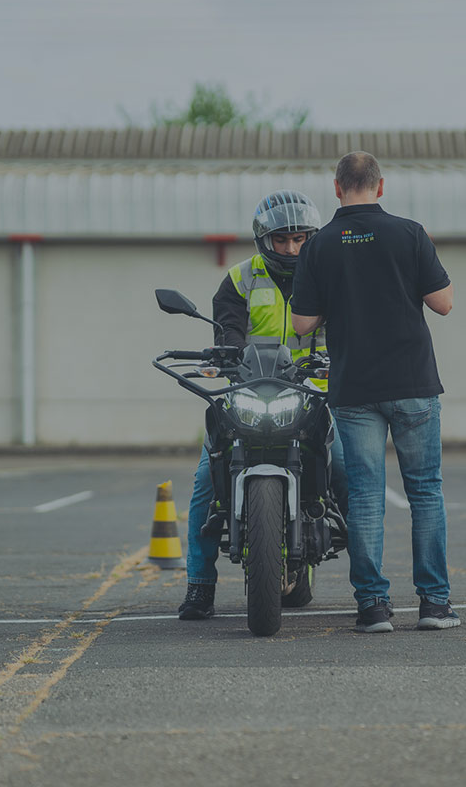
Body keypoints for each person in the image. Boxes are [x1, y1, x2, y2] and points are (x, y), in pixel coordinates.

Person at [290, 152, 458, 633]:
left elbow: (303, 323)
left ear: (337, 187)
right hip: (412, 384)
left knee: (364, 497)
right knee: (425, 492)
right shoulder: (409, 233)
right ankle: (435, 606)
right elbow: (444, 304)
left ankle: (373, 608)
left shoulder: (318, 246)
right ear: (380, 187)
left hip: (355, 387)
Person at [179, 189, 348, 620]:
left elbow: (346, 330)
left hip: (311, 394)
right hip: (250, 394)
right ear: (263, 240)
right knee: (205, 481)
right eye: (282, 240)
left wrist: (336, 358)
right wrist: (225, 355)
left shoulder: (331, 277)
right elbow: (228, 331)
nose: (292, 248)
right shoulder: (240, 279)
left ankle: (369, 590)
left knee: (351, 469)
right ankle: (199, 587)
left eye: (300, 239)